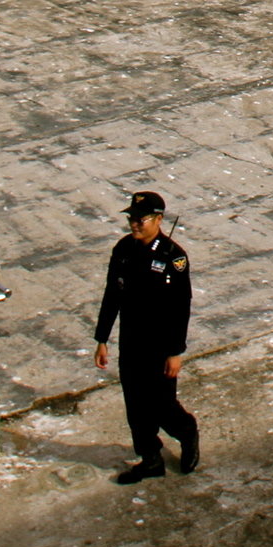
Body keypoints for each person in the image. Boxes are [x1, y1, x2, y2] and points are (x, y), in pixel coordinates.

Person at [95, 190, 199, 484]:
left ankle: (188, 432)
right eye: (131, 218)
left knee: (164, 406)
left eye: (141, 219)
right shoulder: (123, 250)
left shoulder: (173, 258)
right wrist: (102, 338)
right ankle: (150, 458)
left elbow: (181, 308)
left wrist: (175, 351)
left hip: (160, 344)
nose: (134, 224)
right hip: (131, 342)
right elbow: (111, 294)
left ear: (158, 219)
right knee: (136, 406)